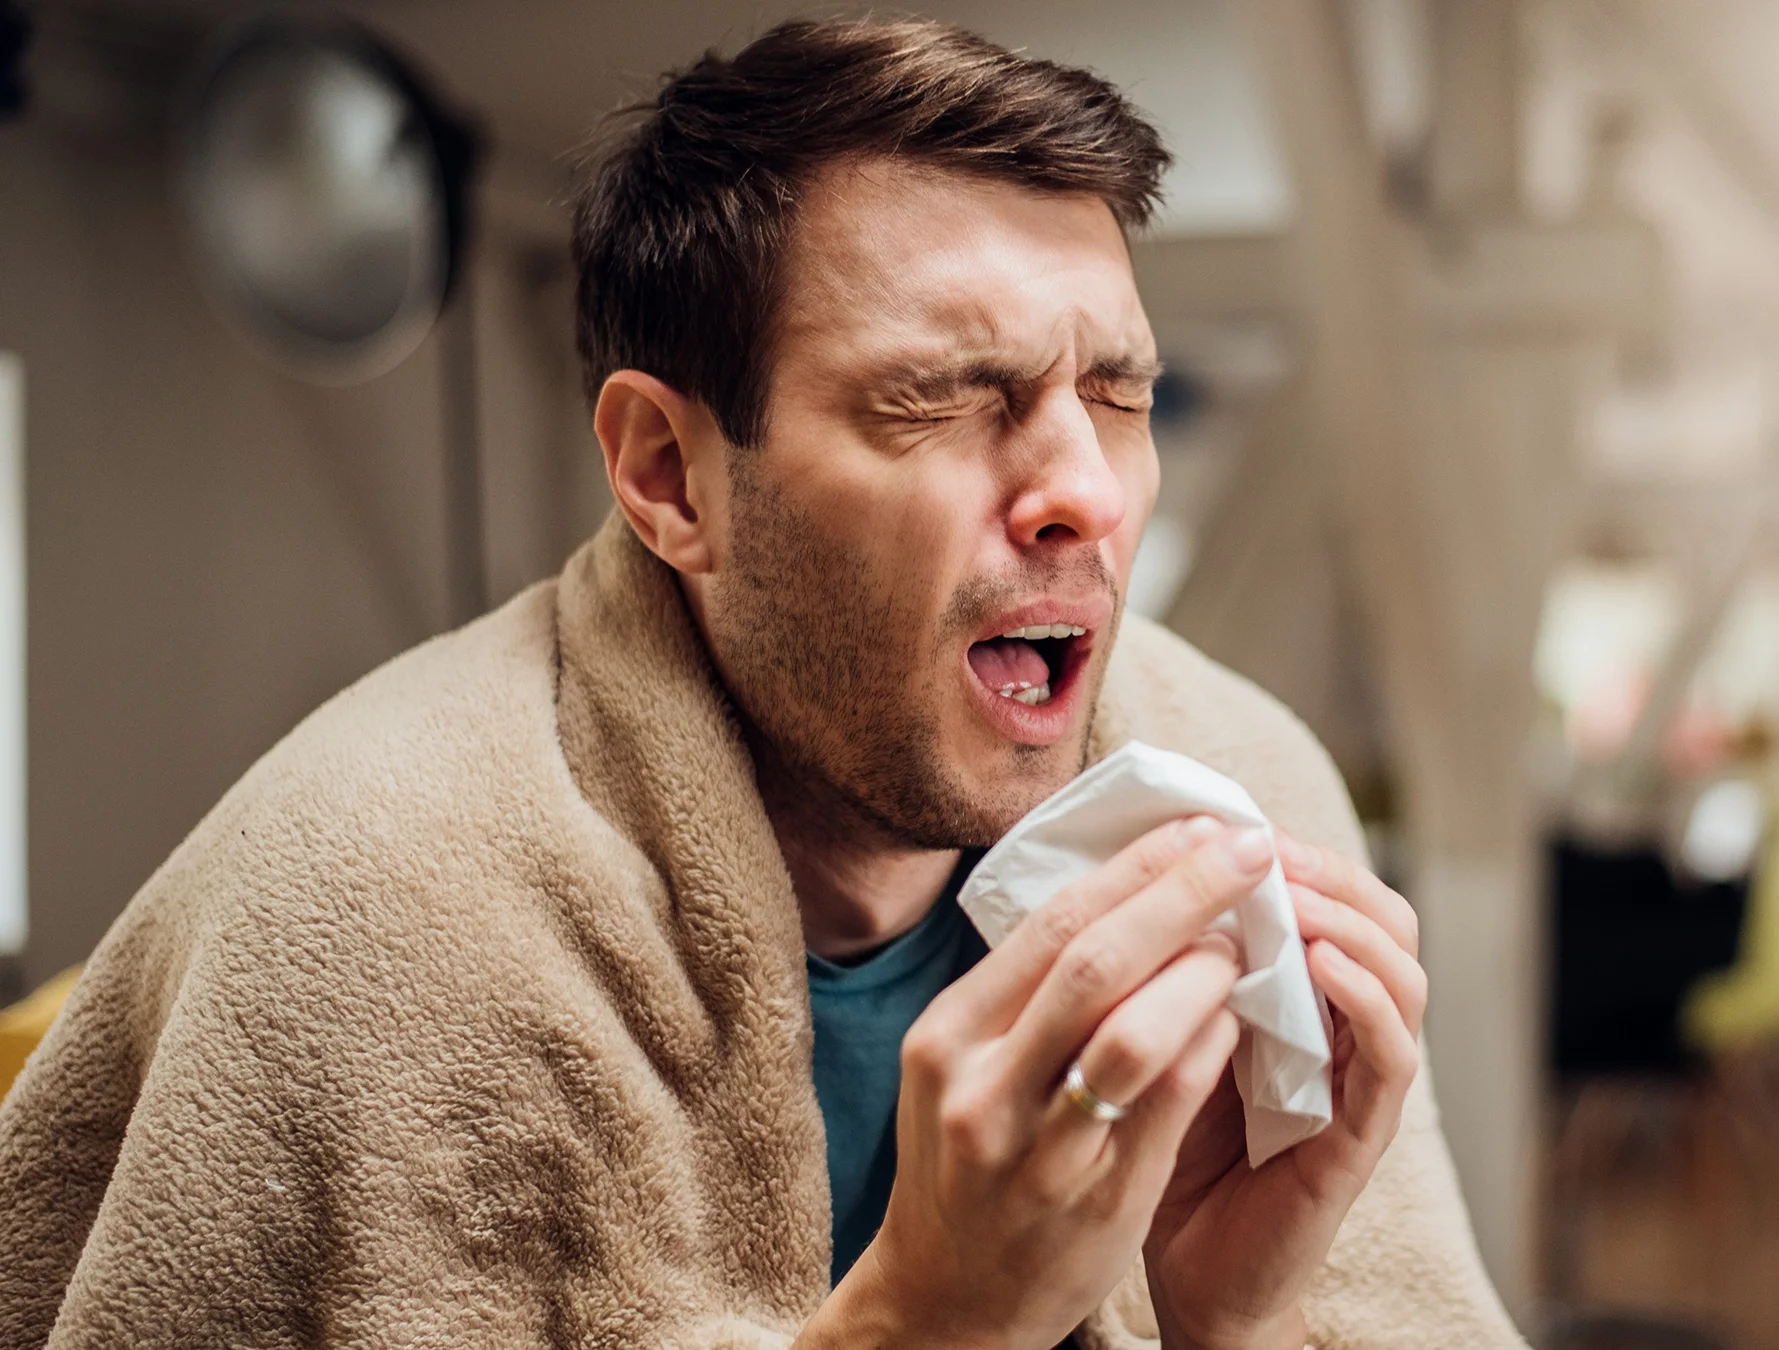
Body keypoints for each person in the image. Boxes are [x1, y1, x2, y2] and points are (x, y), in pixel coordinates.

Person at [0, 18, 1521, 1350]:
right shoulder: (368, 905)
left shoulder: (1245, 785)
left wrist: (1239, 1326)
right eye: (943, 396)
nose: (1089, 492)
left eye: (1117, 394)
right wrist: (927, 1323)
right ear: (671, 474)